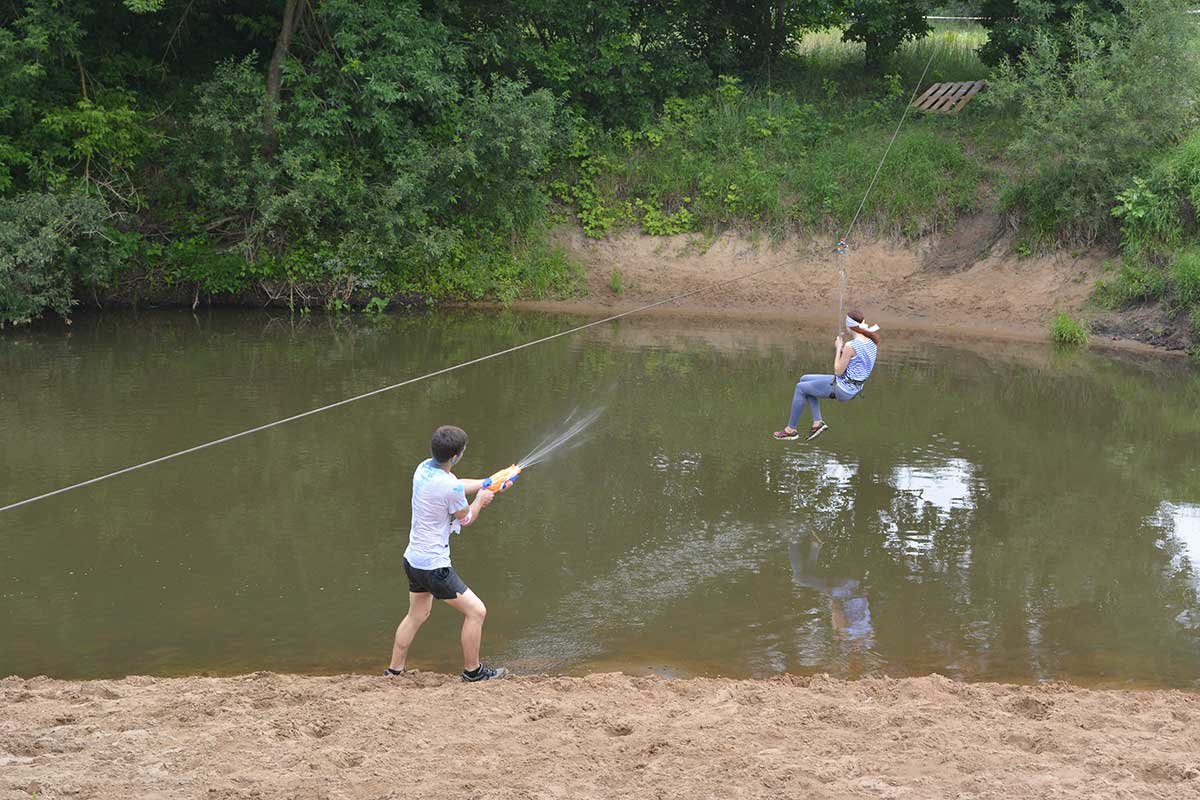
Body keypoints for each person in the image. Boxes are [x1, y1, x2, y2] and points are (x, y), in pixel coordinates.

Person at [386, 425, 511, 682]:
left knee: (416, 615)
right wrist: (481, 500)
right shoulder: (450, 490)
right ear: (456, 456)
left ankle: (394, 671)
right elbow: (465, 519)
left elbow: (455, 484)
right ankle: (473, 672)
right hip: (435, 567)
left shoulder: (423, 468)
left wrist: (487, 482)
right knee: (477, 612)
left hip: (413, 561)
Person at [773, 310, 880, 441]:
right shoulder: (870, 341)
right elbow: (857, 364)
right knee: (804, 379)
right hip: (853, 386)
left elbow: (838, 371)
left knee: (800, 388)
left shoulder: (850, 345)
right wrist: (843, 352)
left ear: (849, 326)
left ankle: (791, 430)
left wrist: (838, 349)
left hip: (843, 389)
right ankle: (817, 423)